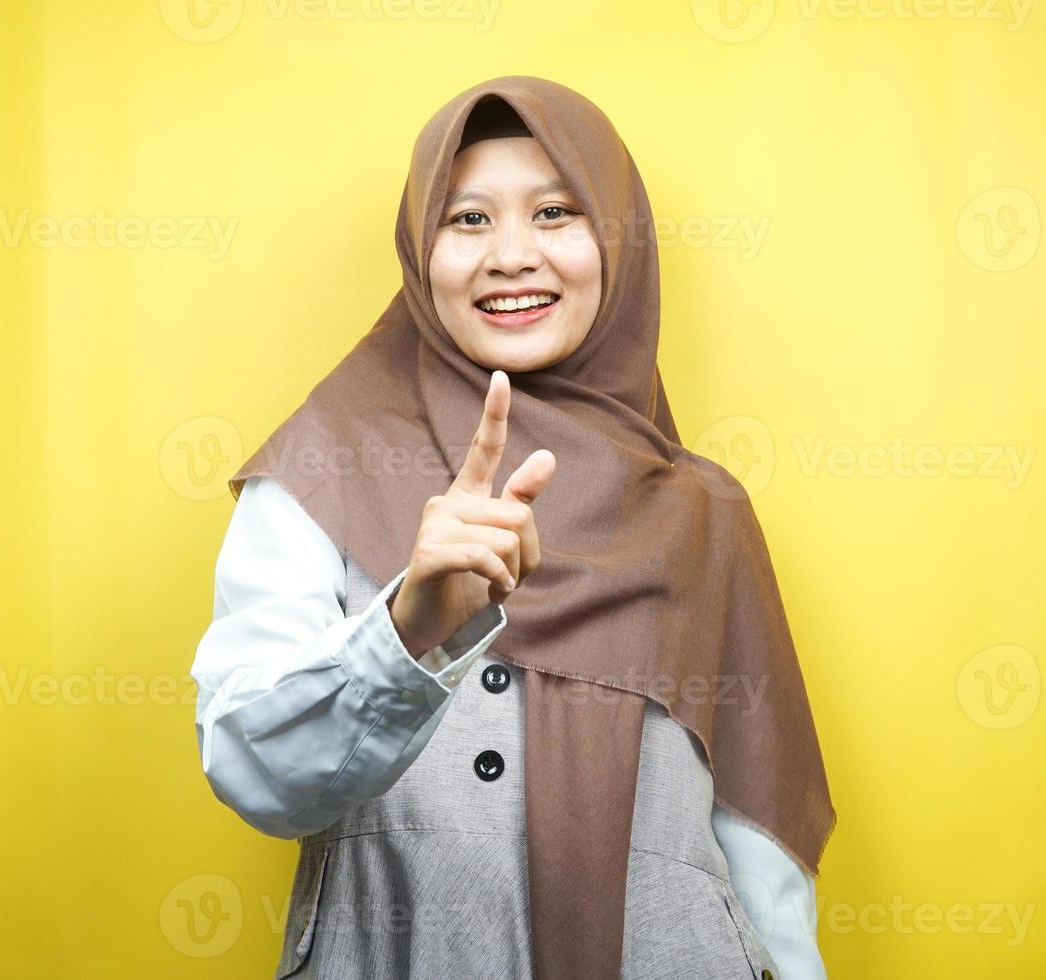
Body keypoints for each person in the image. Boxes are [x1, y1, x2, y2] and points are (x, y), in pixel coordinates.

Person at [191, 75, 835, 979]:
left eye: (557, 212)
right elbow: (256, 772)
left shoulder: (702, 510)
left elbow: (760, 848)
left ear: (617, 238)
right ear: (420, 249)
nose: (511, 255)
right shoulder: (320, 468)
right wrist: (407, 627)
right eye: (467, 220)